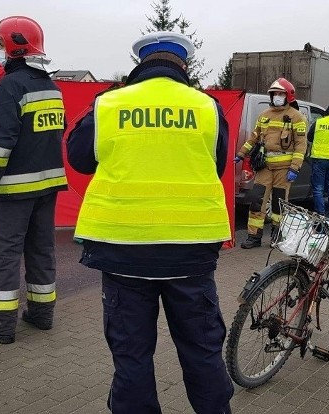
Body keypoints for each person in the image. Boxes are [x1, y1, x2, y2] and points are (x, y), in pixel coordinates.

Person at [67, 31, 233, 414]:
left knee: (132, 357)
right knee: (202, 352)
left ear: (140, 64)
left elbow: (78, 158)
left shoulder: (109, 104)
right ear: (184, 65)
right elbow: (218, 163)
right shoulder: (207, 107)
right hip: (191, 254)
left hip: (124, 254)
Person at [0, 16, 68, 344]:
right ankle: (42, 315)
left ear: (15, 47)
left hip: (13, 189)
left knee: (4, 255)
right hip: (48, 187)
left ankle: (0, 326)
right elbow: (57, 132)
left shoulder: (10, 86)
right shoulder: (51, 87)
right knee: (41, 250)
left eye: (1, 45)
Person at [233, 78, 307, 249]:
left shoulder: (297, 117)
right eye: (275, 94)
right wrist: (241, 154)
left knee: (278, 204)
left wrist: (295, 167)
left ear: (288, 96)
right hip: (264, 167)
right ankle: (254, 236)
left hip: (284, 169)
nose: (277, 97)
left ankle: (277, 236)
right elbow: (253, 138)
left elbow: (300, 145)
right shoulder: (264, 115)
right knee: (256, 201)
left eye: (281, 94)